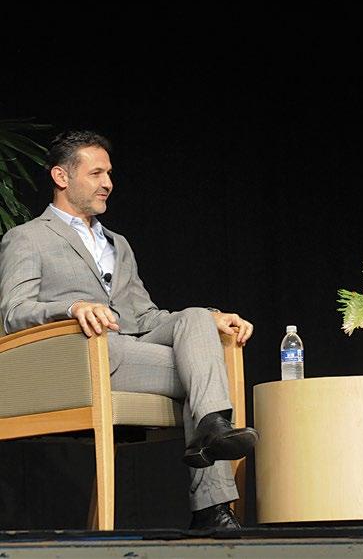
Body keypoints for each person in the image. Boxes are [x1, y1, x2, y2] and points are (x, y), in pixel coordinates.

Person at [0, 129, 258, 530]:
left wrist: (211, 320)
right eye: (96, 173)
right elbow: (13, 312)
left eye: (109, 173)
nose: (108, 183)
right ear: (61, 176)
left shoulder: (118, 244)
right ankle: (211, 506)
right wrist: (72, 308)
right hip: (84, 357)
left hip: (131, 348)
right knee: (207, 372)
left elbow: (146, 317)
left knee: (195, 319)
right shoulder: (27, 238)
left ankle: (212, 430)